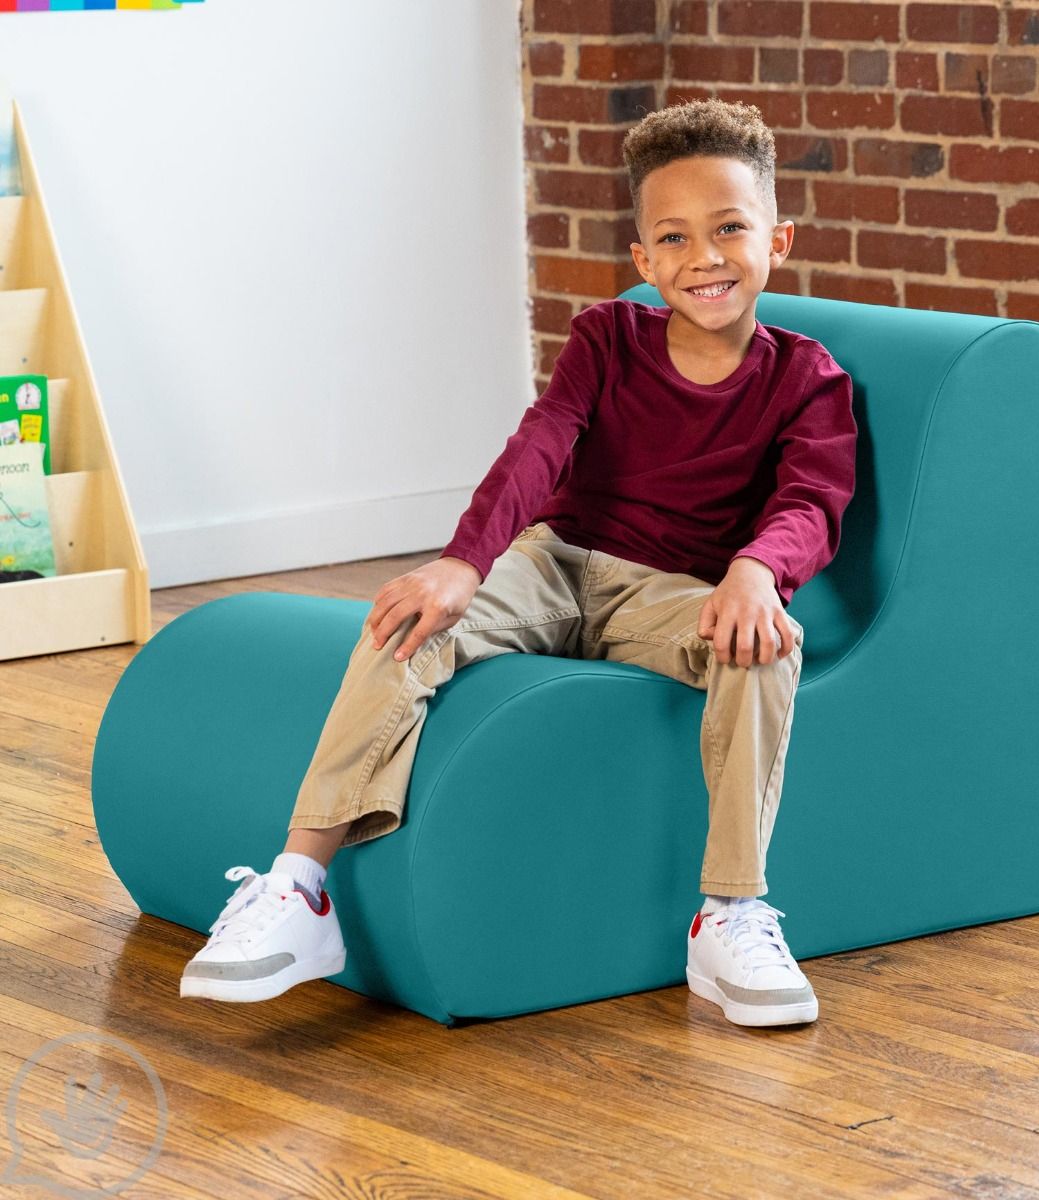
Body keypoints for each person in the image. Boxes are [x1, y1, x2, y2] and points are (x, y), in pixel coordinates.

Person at [180, 98, 858, 1028]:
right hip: (557, 562)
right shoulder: (607, 339)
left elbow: (811, 500)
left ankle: (729, 912)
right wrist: (465, 562)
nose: (704, 257)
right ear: (645, 261)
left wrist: (756, 572)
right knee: (407, 621)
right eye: (674, 238)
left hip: (675, 595)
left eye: (729, 229)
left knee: (767, 647)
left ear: (777, 240)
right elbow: (542, 443)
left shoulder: (807, 377)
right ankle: (300, 888)